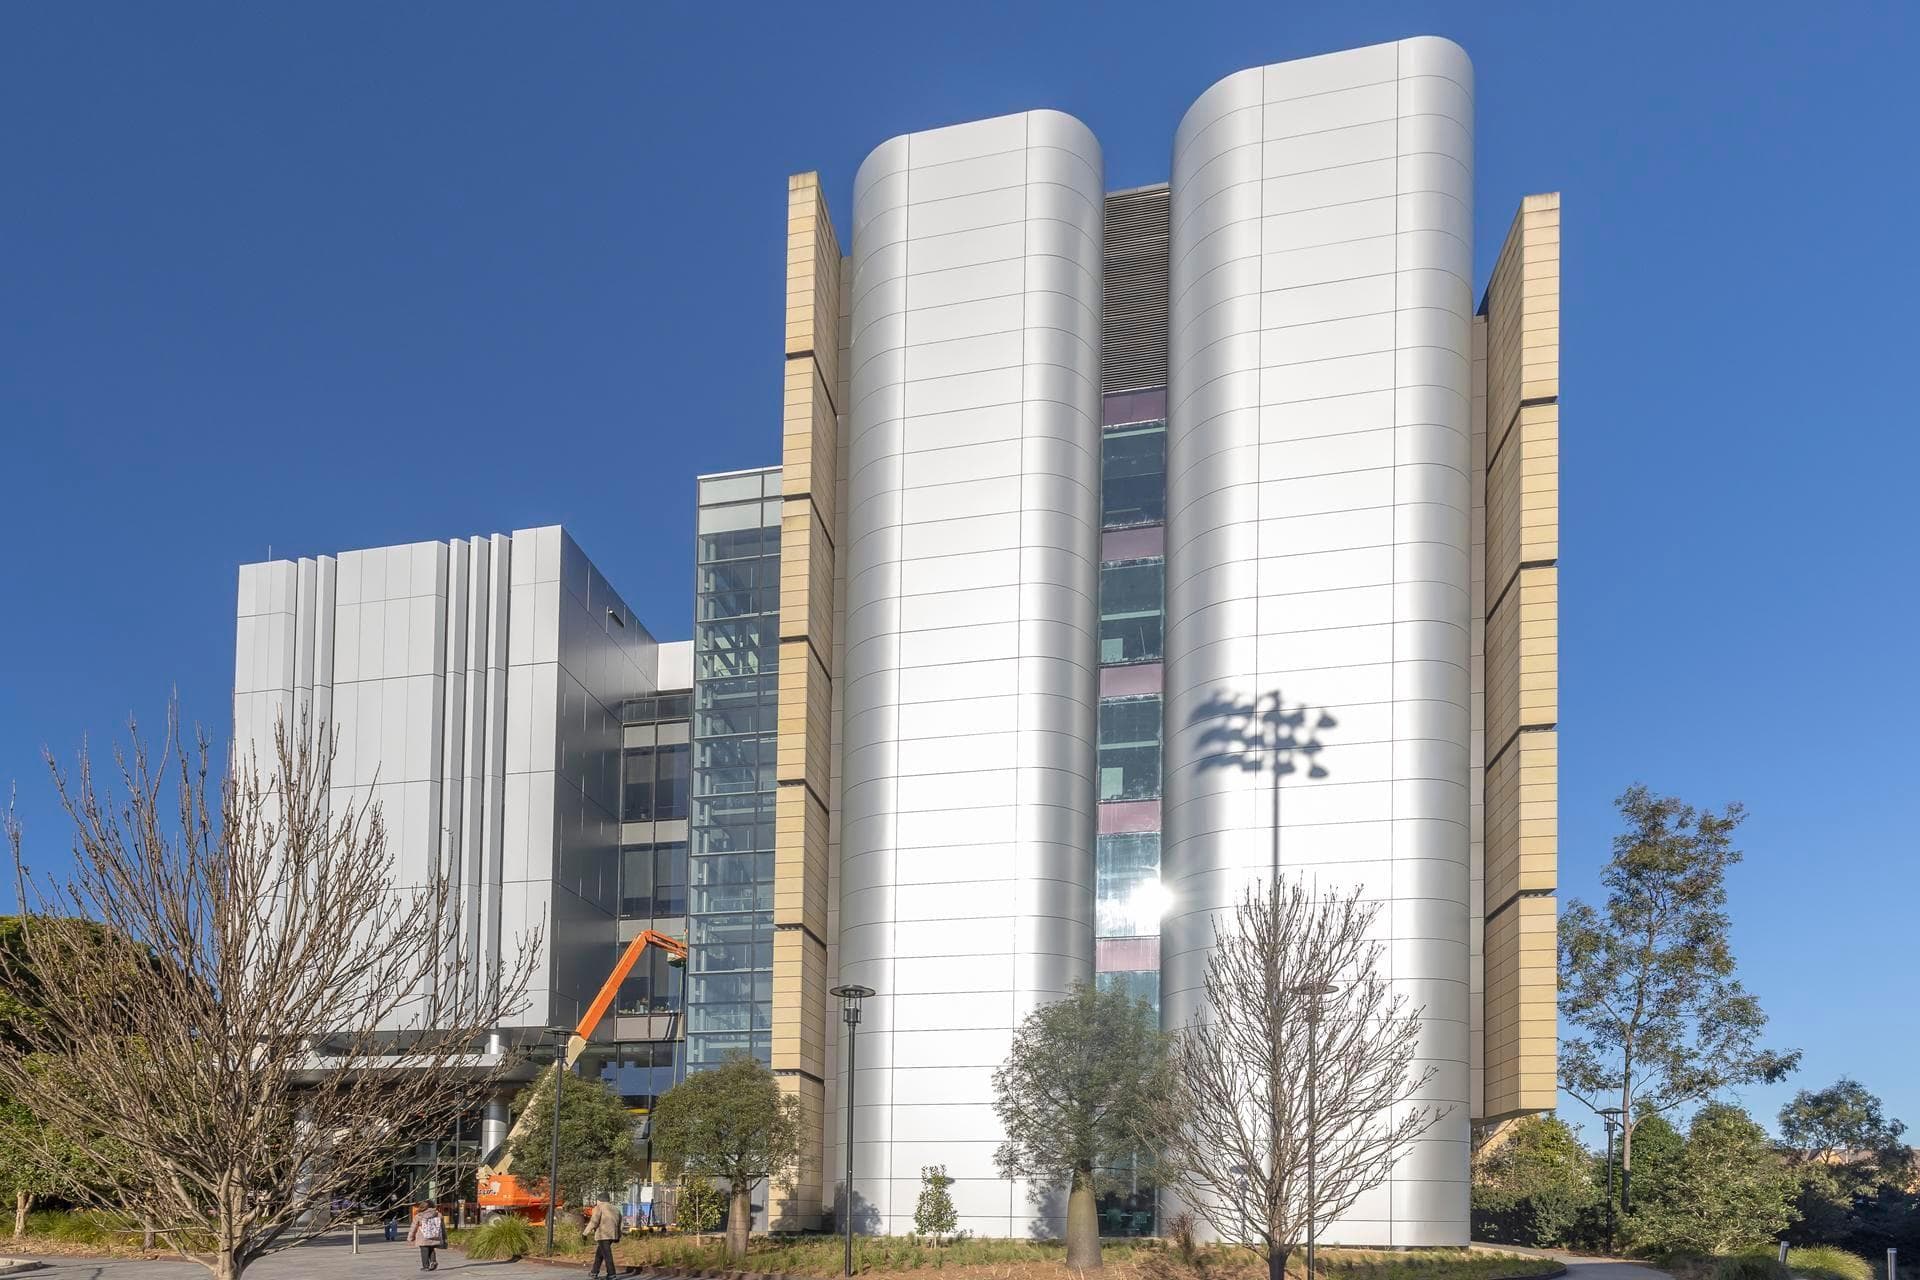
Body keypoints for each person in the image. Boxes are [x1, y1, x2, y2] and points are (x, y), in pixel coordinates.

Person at [583, 1191, 622, 1278]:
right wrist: (618, 1235)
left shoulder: (599, 1207)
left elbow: (594, 1222)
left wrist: (585, 1233)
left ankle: (611, 1274)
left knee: (607, 1254)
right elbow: (620, 1223)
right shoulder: (615, 1209)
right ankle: (594, 1272)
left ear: (599, 1200)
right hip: (612, 1235)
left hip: (603, 1234)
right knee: (599, 1254)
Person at [407, 1201, 445, 1272]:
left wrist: (410, 1237)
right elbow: (442, 1227)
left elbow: (413, 1228)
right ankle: (433, 1262)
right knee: (431, 1249)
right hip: (434, 1235)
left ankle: (426, 1266)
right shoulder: (438, 1214)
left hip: (423, 1237)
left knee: (424, 1251)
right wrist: (444, 1236)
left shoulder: (419, 1216)